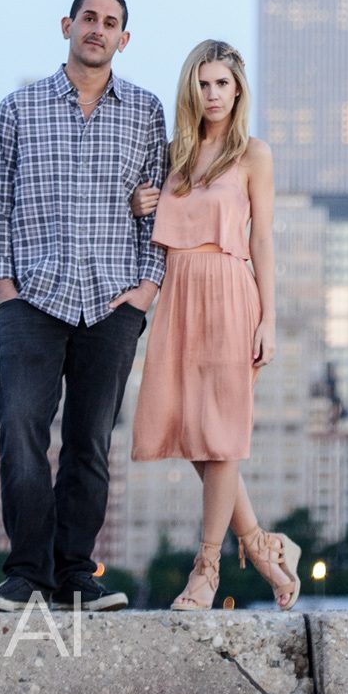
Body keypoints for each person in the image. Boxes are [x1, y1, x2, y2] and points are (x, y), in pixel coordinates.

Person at [0, 0, 166, 611]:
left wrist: (147, 288)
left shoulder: (145, 112)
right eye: (89, 18)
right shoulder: (20, 108)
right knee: (20, 430)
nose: (98, 29)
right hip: (32, 298)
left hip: (112, 302)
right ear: (67, 26)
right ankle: (27, 575)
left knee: (90, 443)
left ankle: (76, 576)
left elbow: (158, 209)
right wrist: (5, 287)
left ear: (124, 39)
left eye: (111, 23)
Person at [129, 39, 300, 610]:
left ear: (238, 88)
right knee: (194, 432)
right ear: (191, 89)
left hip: (230, 293)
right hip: (179, 294)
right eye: (203, 84)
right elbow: (149, 217)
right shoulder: (172, 154)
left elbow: (262, 240)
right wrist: (137, 206)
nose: (212, 94)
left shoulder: (253, 154)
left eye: (222, 83)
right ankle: (265, 549)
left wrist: (269, 321)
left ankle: (207, 569)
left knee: (221, 435)